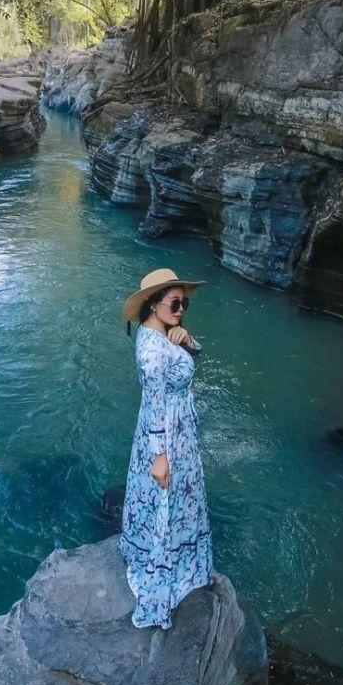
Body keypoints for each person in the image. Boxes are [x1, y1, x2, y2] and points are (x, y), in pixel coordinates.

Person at [118, 267, 214, 630]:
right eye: (175, 303)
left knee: (176, 498)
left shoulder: (164, 334)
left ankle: (181, 558)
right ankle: (162, 571)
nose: (181, 310)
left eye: (184, 303)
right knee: (163, 498)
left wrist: (187, 341)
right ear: (153, 305)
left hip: (178, 430)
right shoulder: (150, 349)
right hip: (166, 434)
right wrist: (160, 456)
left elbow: (192, 355)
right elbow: (155, 399)